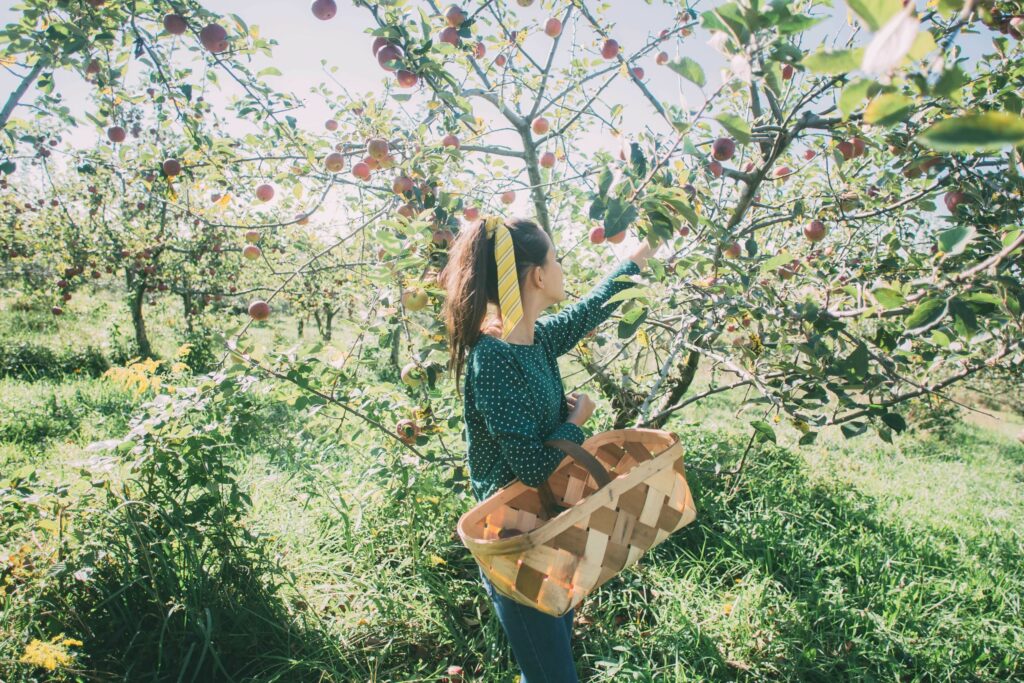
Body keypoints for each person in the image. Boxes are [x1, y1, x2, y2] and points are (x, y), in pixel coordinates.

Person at [439, 215, 661, 682]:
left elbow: (595, 306)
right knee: (553, 675)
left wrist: (643, 253)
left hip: (551, 526)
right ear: (538, 275)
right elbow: (533, 467)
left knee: (548, 662)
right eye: (555, 259)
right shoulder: (494, 359)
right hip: (514, 541)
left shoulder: (536, 339)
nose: (562, 268)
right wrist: (576, 421)